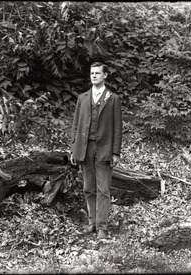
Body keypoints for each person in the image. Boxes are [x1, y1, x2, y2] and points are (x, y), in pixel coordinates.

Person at [70, 62, 122, 239]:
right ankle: (92, 222)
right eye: (92, 73)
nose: (94, 76)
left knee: (103, 189)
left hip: (104, 149)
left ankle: (102, 226)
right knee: (88, 188)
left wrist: (115, 152)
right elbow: (76, 124)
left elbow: (117, 127)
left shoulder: (113, 99)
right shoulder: (83, 98)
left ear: (105, 75)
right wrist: (73, 147)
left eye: (98, 73)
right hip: (85, 148)